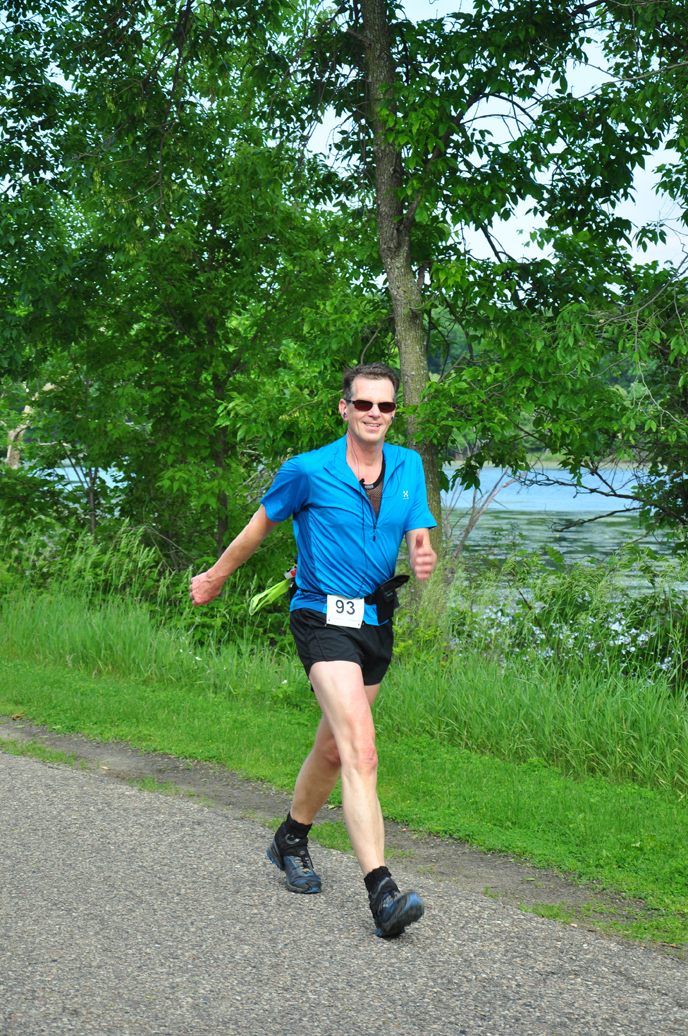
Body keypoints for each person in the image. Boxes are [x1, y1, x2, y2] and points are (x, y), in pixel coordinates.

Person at [190, 362, 438, 937]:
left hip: (375, 620)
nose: (375, 414)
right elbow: (258, 529)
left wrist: (421, 552)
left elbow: (417, 529)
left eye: (386, 406)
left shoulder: (408, 465)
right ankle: (382, 893)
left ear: (394, 412)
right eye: (364, 404)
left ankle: (290, 838)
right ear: (344, 408)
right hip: (321, 616)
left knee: (332, 750)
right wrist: (217, 577)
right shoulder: (307, 470)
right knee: (362, 751)